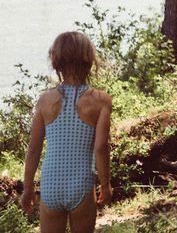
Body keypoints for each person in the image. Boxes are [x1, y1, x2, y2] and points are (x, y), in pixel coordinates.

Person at [20, 31, 113, 233]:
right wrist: (105, 184)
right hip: (81, 183)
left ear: (56, 62)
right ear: (89, 60)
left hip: (50, 184)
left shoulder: (45, 100)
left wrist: (28, 188)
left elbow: (34, 149)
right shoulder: (101, 100)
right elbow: (100, 147)